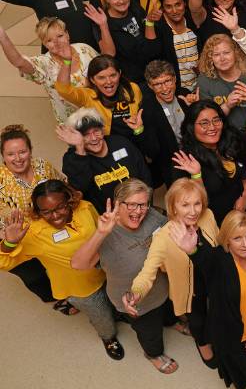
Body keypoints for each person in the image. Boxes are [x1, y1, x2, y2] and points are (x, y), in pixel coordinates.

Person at [0, 179, 125, 359]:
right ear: (38, 211)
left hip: (107, 273)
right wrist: (9, 243)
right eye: (46, 211)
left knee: (116, 302)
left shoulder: (84, 208)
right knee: (101, 316)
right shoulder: (33, 233)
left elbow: (102, 233)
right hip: (81, 289)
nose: (55, 215)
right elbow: (4, 263)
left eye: (60, 207)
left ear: (69, 201)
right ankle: (108, 337)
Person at [171, 208, 246, 386]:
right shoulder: (218, 259)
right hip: (230, 331)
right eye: (237, 238)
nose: (245, 244)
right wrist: (192, 252)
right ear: (226, 239)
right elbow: (203, 260)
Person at [70, 179, 183, 374]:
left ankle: (172, 322)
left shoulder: (152, 216)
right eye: (131, 204)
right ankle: (153, 354)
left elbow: (170, 232)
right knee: (150, 332)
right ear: (117, 204)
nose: (138, 211)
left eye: (143, 204)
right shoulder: (107, 235)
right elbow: (78, 264)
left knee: (167, 311)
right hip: (135, 301)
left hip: (163, 288)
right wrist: (100, 233)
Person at [126, 178, 219, 367]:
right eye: (185, 205)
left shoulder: (207, 215)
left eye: (197, 203)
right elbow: (148, 270)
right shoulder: (163, 237)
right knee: (198, 321)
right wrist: (136, 291)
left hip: (215, 277)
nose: (193, 211)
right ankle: (202, 343)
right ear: (173, 207)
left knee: (219, 313)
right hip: (190, 290)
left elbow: (219, 242)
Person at [0, 126, 65, 308]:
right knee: (34, 275)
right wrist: (8, 240)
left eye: (23, 151)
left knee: (59, 262)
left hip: (49, 229)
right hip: (17, 241)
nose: (18, 158)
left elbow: (61, 185)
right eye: (11, 154)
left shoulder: (42, 166)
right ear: (3, 156)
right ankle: (53, 298)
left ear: (30, 150)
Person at [0, 18, 97, 124]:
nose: (56, 42)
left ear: (67, 34)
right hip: (75, 123)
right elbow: (19, 62)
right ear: (44, 44)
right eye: (49, 40)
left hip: (101, 111)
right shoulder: (44, 63)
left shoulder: (84, 48)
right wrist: (2, 36)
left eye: (60, 36)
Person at [58, 104, 152, 212]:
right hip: (109, 219)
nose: (93, 138)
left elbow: (144, 174)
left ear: (103, 130)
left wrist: (144, 204)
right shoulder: (73, 158)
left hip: (141, 207)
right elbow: (80, 189)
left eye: (96, 131)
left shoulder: (120, 143)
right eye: (86, 135)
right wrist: (80, 148)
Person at [178, 101, 246, 224]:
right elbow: (190, 206)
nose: (212, 127)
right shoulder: (184, 160)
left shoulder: (232, 140)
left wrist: (244, 196)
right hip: (209, 223)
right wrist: (196, 175)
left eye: (216, 120)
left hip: (239, 215)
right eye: (204, 123)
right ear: (191, 127)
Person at [197, 33, 246, 132]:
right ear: (210, 58)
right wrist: (227, 106)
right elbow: (208, 119)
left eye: (226, 53)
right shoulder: (205, 81)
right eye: (216, 54)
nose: (222, 58)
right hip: (224, 136)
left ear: (235, 53)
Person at [55, 54, 143, 138]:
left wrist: (138, 129)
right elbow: (64, 90)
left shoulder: (132, 88)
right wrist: (67, 61)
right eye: (101, 78)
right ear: (93, 80)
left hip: (135, 142)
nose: (108, 81)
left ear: (119, 74)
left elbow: (141, 125)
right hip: (109, 146)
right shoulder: (88, 96)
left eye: (113, 75)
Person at [100, 0, 161, 84]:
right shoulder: (104, 22)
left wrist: (150, 20)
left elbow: (151, 44)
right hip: (132, 80)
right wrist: (103, 25)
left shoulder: (134, 7)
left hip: (153, 70)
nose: (121, 1)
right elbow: (109, 55)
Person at [144, 0, 200, 90]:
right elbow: (151, 54)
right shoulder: (159, 26)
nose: (174, 11)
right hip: (174, 89)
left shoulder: (193, 20)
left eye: (178, 4)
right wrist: (149, 22)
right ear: (163, 8)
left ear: (185, 3)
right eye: (168, 6)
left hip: (199, 85)